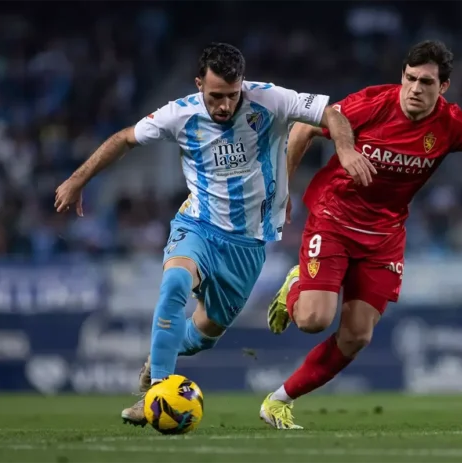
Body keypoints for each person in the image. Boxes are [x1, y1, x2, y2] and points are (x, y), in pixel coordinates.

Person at [54, 42, 375, 427]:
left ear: (243, 85)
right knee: (174, 284)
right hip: (198, 225)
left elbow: (329, 113)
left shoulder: (269, 99)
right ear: (198, 85)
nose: (224, 106)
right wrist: (77, 180)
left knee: (205, 333)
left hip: (249, 241)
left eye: (232, 95)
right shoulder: (180, 114)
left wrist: (345, 148)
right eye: (215, 96)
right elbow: (125, 138)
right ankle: (156, 389)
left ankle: (156, 361)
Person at [260, 40, 462, 429]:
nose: (415, 89)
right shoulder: (374, 103)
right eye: (410, 78)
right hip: (333, 218)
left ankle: (278, 401)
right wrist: (283, 193)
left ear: (443, 88)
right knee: (313, 320)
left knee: (357, 336)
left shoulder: (451, 122)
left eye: (426, 82)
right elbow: (304, 127)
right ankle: (297, 287)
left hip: (384, 235)